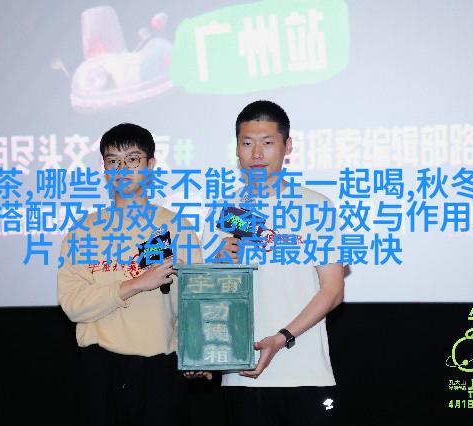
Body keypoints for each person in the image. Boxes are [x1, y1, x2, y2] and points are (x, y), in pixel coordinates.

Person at [201, 100, 345, 426]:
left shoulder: (315, 206)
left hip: (304, 372)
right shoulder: (221, 212)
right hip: (242, 373)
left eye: (267, 143)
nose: (256, 154)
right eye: (247, 143)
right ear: (236, 148)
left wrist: (282, 338)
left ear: (287, 146)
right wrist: (218, 266)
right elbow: (208, 297)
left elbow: (333, 290)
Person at [57, 123, 202, 426]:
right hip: (102, 368)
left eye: (133, 159)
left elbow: (195, 302)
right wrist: (135, 284)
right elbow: (74, 305)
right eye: (113, 161)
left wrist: (196, 353)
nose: (122, 169)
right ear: (105, 168)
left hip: (161, 370)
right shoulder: (83, 232)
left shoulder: (175, 227)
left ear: (150, 165)